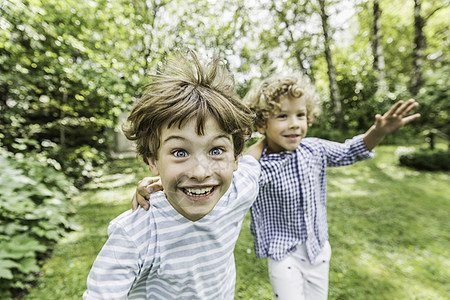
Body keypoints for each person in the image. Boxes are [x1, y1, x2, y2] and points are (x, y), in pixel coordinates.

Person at [134, 73, 420, 299]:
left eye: (300, 115)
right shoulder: (258, 165)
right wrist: (160, 182)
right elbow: (220, 181)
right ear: (261, 124)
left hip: (319, 248)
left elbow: (350, 151)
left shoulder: (315, 149)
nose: (294, 124)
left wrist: (377, 132)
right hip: (283, 254)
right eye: (282, 116)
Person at [83, 49, 264, 300]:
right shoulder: (137, 233)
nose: (200, 173)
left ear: (235, 158)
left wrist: (268, 140)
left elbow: (253, 162)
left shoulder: (238, 191)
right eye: (180, 152)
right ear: (152, 161)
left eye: (216, 150)